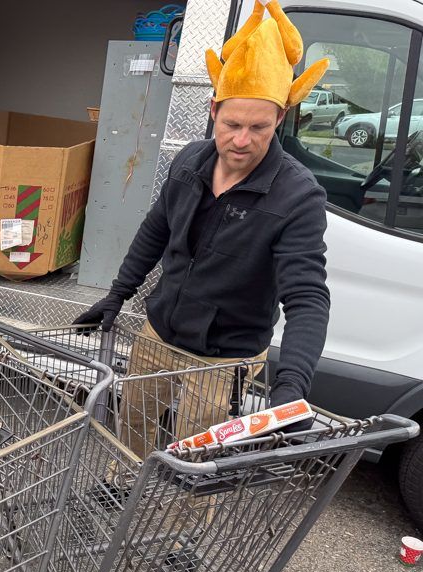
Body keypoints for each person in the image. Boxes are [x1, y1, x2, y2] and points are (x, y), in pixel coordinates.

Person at [75, 0, 331, 456]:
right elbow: (155, 230)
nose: (241, 140)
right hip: (158, 333)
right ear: (213, 109)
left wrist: (291, 387)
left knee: (194, 460)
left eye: (259, 127)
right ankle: (119, 489)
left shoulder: (297, 196)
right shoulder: (190, 161)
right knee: (130, 430)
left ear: (279, 119)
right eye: (232, 124)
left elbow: (307, 297)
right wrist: (118, 293)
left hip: (223, 358)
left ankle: (175, 507)